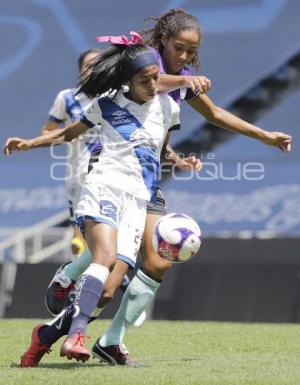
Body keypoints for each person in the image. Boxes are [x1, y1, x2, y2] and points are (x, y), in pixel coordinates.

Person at [40, 9, 292, 367]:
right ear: (163, 42)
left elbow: (214, 115)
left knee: (157, 261)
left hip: (147, 178)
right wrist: (186, 82)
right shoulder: (145, 61)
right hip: (112, 172)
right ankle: (66, 288)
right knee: (108, 269)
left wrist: (264, 135)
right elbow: (148, 86)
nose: (185, 57)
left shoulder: (182, 77)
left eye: (191, 51)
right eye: (179, 48)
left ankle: (111, 340)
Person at [4, 37, 187, 365]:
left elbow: (157, 148)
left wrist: (178, 159)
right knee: (102, 257)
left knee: (106, 290)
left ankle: (45, 335)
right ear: (127, 81)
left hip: (137, 200)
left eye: (156, 78)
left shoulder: (169, 107)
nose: (154, 85)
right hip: (102, 185)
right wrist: (29, 143)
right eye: (145, 80)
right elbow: (65, 134)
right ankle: (77, 335)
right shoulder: (106, 104)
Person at [42, 48, 102, 259]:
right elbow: (47, 132)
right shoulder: (67, 98)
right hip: (78, 173)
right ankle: (80, 273)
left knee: (106, 229)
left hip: (110, 174)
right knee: (82, 233)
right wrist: (69, 133)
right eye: (88, 66)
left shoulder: (115, 98)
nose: (93, 70)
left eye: (98, 65)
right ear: (80, 71)